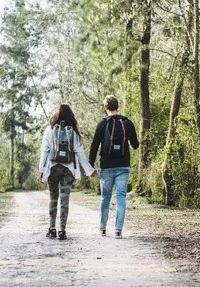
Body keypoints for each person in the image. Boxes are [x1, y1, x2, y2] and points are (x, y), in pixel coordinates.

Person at [38, 104, 97, 240]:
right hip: (68, 170)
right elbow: (80, 155)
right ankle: (62, 231)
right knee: (65, 201)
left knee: (53, 199)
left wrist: (41, 170)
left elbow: (45, 152)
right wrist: (90, 171)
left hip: (52, 169)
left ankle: (52, 229)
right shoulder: (73, 132)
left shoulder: (49, 130)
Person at [89, 95, 139, 239]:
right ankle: (118, 230)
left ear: (105, 108)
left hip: (107, 167)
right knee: (121, 197)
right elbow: (135, 145)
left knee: (105, 197)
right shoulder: (127, 123)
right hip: (123, 166)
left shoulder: (102, 124)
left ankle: (103, 228)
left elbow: (94, 146)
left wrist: (90, 167)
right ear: (118, 106)